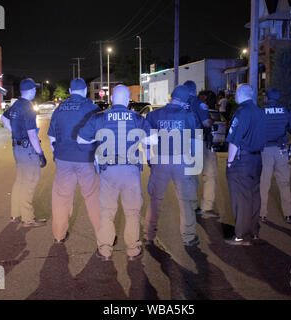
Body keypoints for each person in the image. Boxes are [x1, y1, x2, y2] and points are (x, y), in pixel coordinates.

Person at [77, 85, 154, 262]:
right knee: (132, 212)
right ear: (128, 100)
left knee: (107, 212)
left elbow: (81, 139)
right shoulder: (137, 118)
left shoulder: (100, 118)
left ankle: (105, 250)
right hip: (131, 171)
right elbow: (153, 139)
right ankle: (133, 250)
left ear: (112, 99)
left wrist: (97, 143)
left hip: (108, 171)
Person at [144, 85, 203, 247]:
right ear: (185, 101)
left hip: (161, 160)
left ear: (171, 97)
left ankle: (149, 235)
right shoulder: (189, 116)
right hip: (182, 161)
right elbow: (194, 142)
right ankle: (188, 237)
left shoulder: (154, 115)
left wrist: (150, 159)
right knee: (186, 201)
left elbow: (147, 141)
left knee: (155, 199)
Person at [48, 78, 101, 244]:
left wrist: (57, 155)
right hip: (87, 159)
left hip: (63, 159)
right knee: (93, 198)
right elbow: (100, 137)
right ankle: (103, 236)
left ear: (70, 91)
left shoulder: (59, 109)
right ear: (85, 91)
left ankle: (59, 236)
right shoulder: (92, 108)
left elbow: (51, 137)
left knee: (61, 198)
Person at [1, 78, 47, 228]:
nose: (35, 91)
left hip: (17, 148)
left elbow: (3, 117)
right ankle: (28, 218)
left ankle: (15, 214)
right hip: (27, 149)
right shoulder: (27, 107)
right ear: (31, 90)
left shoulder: (16, 104)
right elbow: (32, 134)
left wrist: (14, 132)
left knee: (20, 180)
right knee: (31, 180)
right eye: (35, 89)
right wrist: (40, 153)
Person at [225, 84, 266, 246]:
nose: (235, 95)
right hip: (257, 160)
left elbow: (234, 141)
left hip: (242, 161)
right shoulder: (260, 112)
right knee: (255, 196)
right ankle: (254, 231)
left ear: (240, 94)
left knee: (241, 198)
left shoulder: (241, 112)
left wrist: (229, 162)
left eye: (236, 92)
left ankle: (240, 235)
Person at [260, 88, 291, 224]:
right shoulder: (285, 111)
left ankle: (262, 214)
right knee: (284, 183)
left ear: (267, 98)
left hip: (265, 151)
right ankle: (288, 214)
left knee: (264, 183)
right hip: (281, 151)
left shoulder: (262, 112)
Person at [184, 81, 219, 219]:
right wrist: (211, 120)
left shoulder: (180, 104)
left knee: (190, 177)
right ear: (194, 90)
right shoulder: (198, 103)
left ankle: (190, 206)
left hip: (183, 142)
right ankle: (206, 208)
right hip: (199, 140)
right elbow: (205, 123)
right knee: (210, 174)